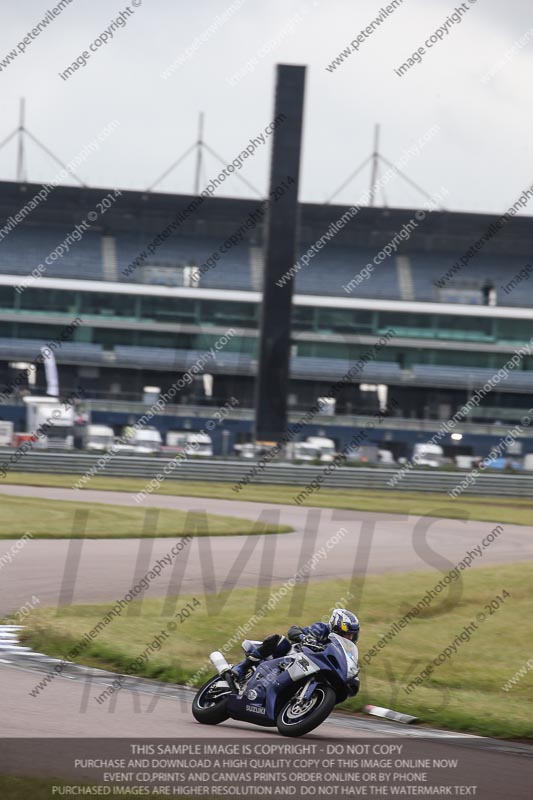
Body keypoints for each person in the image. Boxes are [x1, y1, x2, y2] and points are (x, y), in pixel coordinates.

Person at [231, 608, 360, 682]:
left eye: (352, 635)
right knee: (279, 640)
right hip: (293, 656)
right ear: (335, 627)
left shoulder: (346, 649)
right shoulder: (322, 629)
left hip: (313, 668)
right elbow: (294, 630)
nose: (349, 638)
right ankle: (242, 668)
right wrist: (305, 637)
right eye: (346, 634)